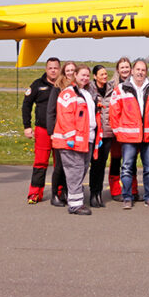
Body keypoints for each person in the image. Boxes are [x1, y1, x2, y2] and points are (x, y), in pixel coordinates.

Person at [109, 58, 149, 210]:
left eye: (143, 70)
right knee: (127, 168)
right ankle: (127, 197)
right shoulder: (120, 89)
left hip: (148, 136)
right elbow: (114, 112)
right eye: (138, 69)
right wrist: (118, 132)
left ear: (146, 72)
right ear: (132, 71)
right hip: (128, 137)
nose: (140, 72)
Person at [51, 64, 100, 216]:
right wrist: (70, 137)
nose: (85, 78)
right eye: (82, 75)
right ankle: (75, 204)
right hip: (72, 141)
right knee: (74, 171)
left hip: (86, 139)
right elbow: (65, 117)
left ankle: (76, 200)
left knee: (81, 170)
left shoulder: (86, 93)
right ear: (75, 75)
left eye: (87, 75)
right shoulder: (68, 93)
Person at [23, 56, 60, 204]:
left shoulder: (64, 85)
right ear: (46, 69)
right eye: (50, 68)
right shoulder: (38, 85)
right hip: (43, 130)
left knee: (60, 164)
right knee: (40, 162)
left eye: (56, 68)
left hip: (60, 131)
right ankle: (35, 193)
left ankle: (60, 192)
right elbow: (26, 105)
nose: (53, 70)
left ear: (60, 69)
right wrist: (27, 126)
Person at [43, 60, 76, 207]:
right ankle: (55, 194)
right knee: (60, 165)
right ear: (64, 72)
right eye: (67, 71)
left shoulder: (78, 87)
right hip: (60, 132)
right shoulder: (58, 88)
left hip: (74, 133)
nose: (70, 73)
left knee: (71, 165)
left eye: (72, 71)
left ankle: (67, 192)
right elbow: (51, 111)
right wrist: (51, 132)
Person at [86, 64, 115, 208]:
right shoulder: (89, 90)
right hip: (95, 132)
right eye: (101, 74)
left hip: (108, 133)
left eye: (105, 74)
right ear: (95, 76)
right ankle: (92, 193)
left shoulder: (111, 89)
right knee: (95, 164)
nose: (104, 76)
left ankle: (99, 193)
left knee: (102, 164)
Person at [106, 56, 133, 201]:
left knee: (131, 160)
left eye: (127, 67)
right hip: (116, 129)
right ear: (118, 69)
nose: (125, 70)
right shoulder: (111, 86)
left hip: (132, 129)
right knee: (116, 159)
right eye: (122, 67)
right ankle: (115, 189)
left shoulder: (136, 84)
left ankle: (132, 189)